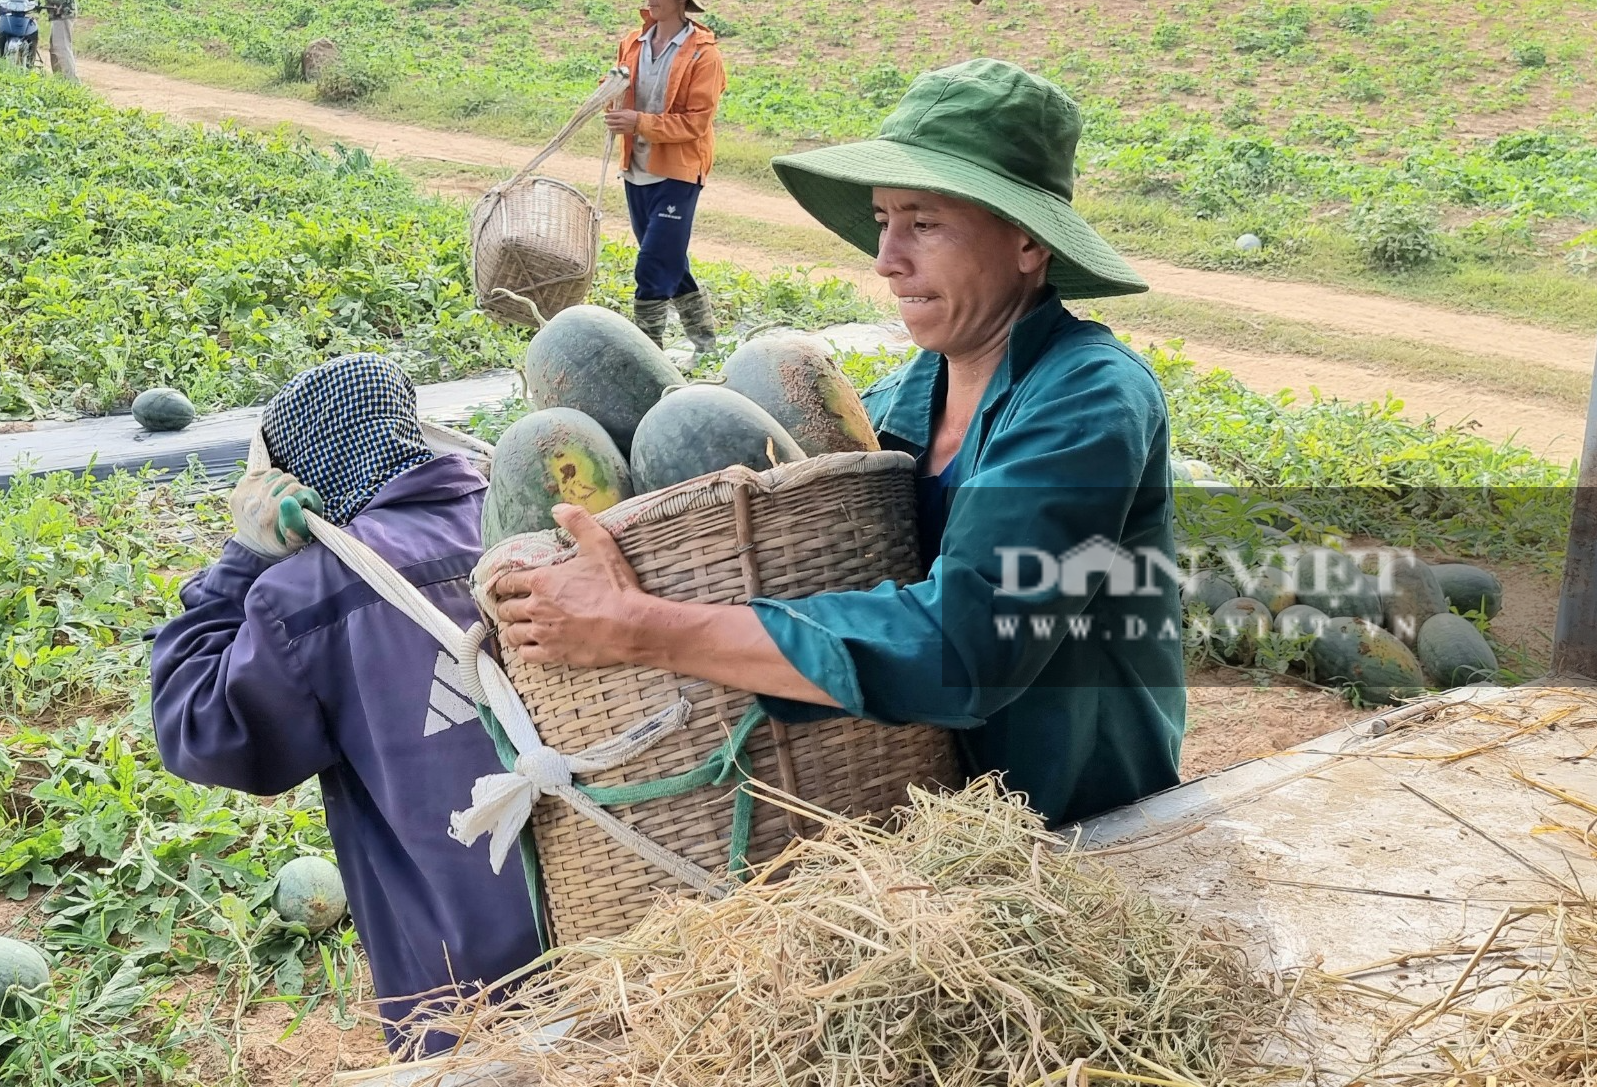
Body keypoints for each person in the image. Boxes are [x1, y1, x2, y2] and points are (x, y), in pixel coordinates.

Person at [484, 59, 1187, 829]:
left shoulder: (1089, 397)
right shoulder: (894, 403)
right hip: (906, 828)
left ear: (1026, 243)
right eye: (884, 221)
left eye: (924, 223)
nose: (887, 257)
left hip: (1080, 830)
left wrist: (640, 625)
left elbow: (968, 643)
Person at [149, 355, 540, 1055]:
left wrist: (242, 559)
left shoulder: (306, 596)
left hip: (472, 989)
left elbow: (200, 729)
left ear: (302, 469)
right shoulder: (522, 519)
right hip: (620, 927)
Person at [605, 0, 726, 359]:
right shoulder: (631, 42)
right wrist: (610, 99)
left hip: (678, 171)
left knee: (652, 265)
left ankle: (649, 359)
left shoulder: (701, 54)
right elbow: (619, 91)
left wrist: (638, 122)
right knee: (669, 258)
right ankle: (707, 346)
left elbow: (695, 122)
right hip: (636, 170)